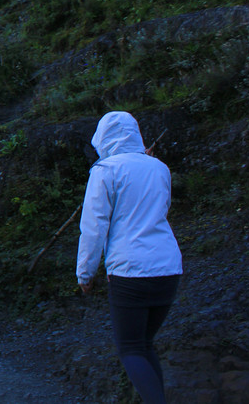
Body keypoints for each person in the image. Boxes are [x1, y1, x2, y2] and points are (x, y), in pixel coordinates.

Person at [76, 111, 182, 404]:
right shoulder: (159, 168)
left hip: (130, 271)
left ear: (103, 137)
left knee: (131, 348)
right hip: (170, 267)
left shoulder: (105, 170)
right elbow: (162, 210)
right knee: (144, 344)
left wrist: (85, 273)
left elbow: (94, 229)